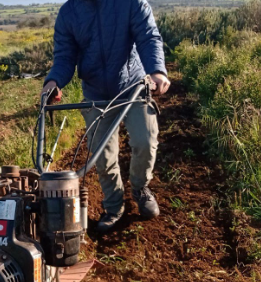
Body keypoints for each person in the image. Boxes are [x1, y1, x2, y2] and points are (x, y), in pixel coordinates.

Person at [41, 0, 171, 232]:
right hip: (96, 91)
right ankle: (114, 206)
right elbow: (64, 57)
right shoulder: (69, 13)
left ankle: (140, 189)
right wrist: (53, 82)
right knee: (102, 155)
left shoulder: (131, 4)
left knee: (145, 140)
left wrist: (157, 71)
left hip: (133, 86)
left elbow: (148, 37)